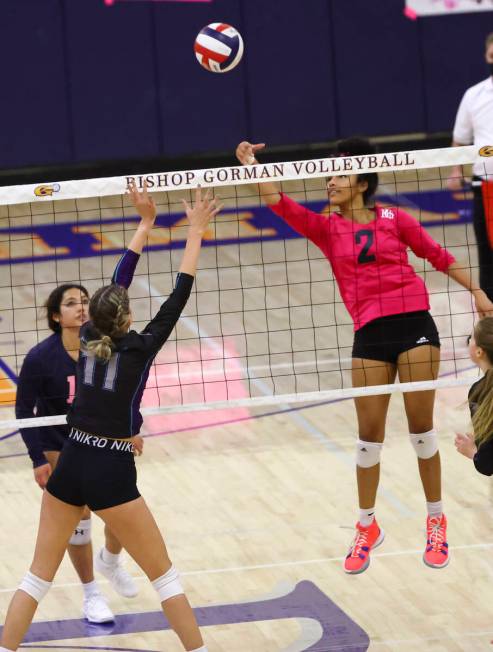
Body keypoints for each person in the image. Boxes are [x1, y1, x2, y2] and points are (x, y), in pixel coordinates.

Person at [236, 137, 493, 575]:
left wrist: (478, 292)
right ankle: (366, 525)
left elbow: (437, 255)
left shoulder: (396, 219)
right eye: (330, 175)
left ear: (362, 182)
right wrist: (250, 165)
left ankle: (435, 519)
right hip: (369, 336)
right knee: (367, 438)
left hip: (415, 326)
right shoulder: (325, 226)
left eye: (339, 175)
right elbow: (278, 202)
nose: (330, 182)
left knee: (421, 431)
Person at [0, 183, 217, 652]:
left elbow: (119, 280)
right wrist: (194, 231)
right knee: (166, 579)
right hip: (111, 467)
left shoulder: (89, 334)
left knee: (36, 578)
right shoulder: (139, 347)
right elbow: (180, 293)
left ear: (92, 317)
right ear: (127, 316)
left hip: (73, 457)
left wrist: (143, 225)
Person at [14, 190, 157, 622]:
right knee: (77, 520)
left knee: (119, 510)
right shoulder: (41, 357)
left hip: (110, 435)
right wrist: (38, 457)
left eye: (83, 300)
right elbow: (24, 410)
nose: (80, 307)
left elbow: (128, 392)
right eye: (70, 303)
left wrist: (132, 426)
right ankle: (91, 591)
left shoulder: (105, 341)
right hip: (63, 439)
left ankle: (111, 561)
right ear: (57, 316)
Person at [447, 32, 493, 302]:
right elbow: (460, 140)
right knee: (487, 256)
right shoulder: (474, 95)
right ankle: (490, 328)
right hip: (484, 186)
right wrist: (456, 171)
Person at [454, 317, 493, 476]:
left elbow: (487, 464)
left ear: (479, 351)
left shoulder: (480, 392)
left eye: (471, 338)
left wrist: (472, 452)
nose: (468, 341)